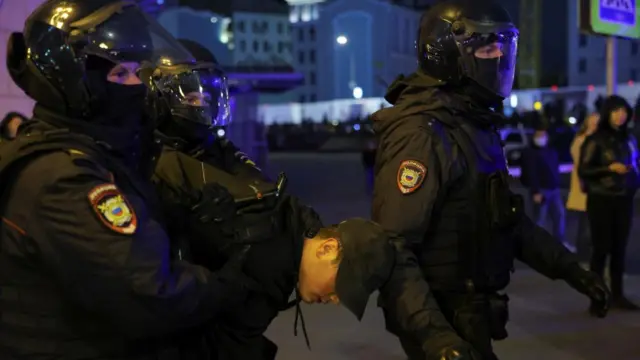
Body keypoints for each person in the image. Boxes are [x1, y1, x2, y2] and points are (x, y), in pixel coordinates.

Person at [0, 1, 261, 358]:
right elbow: (152, 293)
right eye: (121, 74)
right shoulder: (61, 177)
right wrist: (227, 283)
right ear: (73, 80)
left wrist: (181, 222)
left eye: (139, 72)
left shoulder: (91, 152)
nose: (138, 86)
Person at [369, 1, 611, 359]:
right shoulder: (423, 131)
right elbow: (392, 248)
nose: (498, 58)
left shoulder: (473, 123)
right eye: (486, 48)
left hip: (473, 313)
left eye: (502, 47)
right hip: (442, 318)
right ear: (447, 54)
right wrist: (436, 339)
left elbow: (504, 219)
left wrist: (571, 270)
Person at [145, 61, 400, 359]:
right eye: (339, 287)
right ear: (328, 248)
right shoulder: (266, 266)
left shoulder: (286, 216)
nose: (333, 300)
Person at [579, 95, 639, 311]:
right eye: (616, 111)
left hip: (624, 199)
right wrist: (608, 169)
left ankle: (618, 295)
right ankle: (597, 297)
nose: (620, 115)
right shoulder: (595, 140)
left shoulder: (628, 139)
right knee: (601, 249)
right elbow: (583, 170)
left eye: (623, 111)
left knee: (619, 250)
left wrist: (633, 177)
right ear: (607, 113)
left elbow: (635, 163)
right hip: (601, 199)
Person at [521, 128, 568, 250]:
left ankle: (559, 243)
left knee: (559, 216)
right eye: (538, 135)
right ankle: (536, 246)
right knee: (539, 219)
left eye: (543, 135)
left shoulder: (551, 151)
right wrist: (535, 191)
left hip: (554, 190)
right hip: (541, 190)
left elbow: (555, 169)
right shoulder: (530, 153)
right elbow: (531, 173)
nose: (541, 138)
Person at [566, 113, 599, 256]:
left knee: (591, 222)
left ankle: (588, 253)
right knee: (585, 223)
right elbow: (580, 165)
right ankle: (583, 255)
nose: (595, 125)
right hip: (584, 187)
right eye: (592, 122)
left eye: (597, 122)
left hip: (593, 187)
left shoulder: (597, 140)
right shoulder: (581, 141)